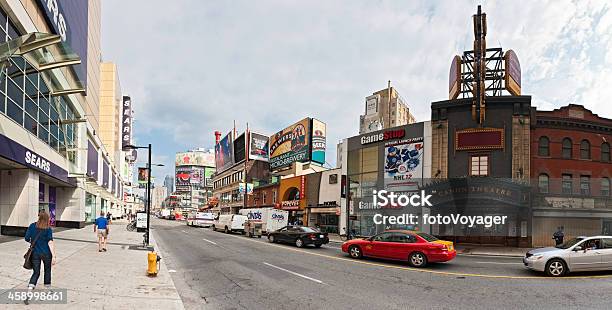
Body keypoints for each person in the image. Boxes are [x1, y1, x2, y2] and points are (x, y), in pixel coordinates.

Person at [24, 211, 56, 291]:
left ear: (39, 217)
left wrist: (33, 242)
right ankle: (47, 290)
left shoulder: (32, 226)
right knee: (47, 270)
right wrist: (54, 256)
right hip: (46, 253)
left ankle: (30, 289)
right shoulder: (48, 228)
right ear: (47, 219)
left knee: (36, 272)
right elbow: (50, 242)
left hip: (35, 253)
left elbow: (27, 238)